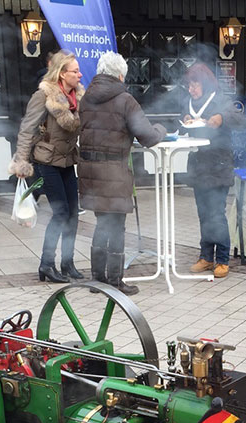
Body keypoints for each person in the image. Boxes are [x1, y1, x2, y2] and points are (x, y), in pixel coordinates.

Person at [78, 51, 166, 295]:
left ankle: (97, 281)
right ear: (119, 75)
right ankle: (115, 282)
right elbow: (147, 137)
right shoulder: (125, 100)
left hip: (89, 171)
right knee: (115, 226)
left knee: (101, 223)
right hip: (114, 172)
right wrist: (161, 128)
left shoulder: (86, 98)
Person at [9, 50, 84, 283]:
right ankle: (47, 263)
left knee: (73, 213)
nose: (80, 75)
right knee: (60, 213)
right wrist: (21, 161)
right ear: (62, 74)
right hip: (46, 161)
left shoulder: (78, 97)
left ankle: (68, 262)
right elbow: (27, 129)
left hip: (67, 161)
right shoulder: (43, 95)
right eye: (75, 71)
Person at [182, 64, 242, 279]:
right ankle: (206, 257)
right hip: (199, 167)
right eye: (189, 85)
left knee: (217, 214)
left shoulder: (220, 100)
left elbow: (239, 119)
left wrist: (221, 118)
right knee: (203, 213)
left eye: (195, 84)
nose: (191, 89)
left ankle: (223, 259)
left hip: (219, 166)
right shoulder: (189, 103)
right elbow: (183, 125)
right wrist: (186, 121)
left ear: (204, 84)